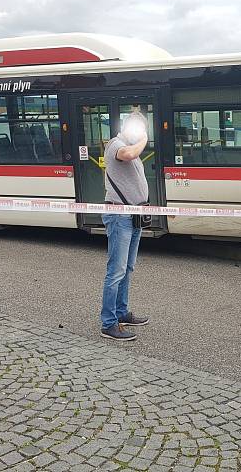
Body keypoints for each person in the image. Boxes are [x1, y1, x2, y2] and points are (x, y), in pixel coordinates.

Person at [100, 110, 151, 341]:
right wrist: (143, 139)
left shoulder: (130, 146)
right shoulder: (116, 144)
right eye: (136, 128)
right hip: (120, 217)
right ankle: (108, 323)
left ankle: (121, 313)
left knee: (127, 268)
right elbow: (128, 154)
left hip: (134, 215)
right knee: (116, 271)